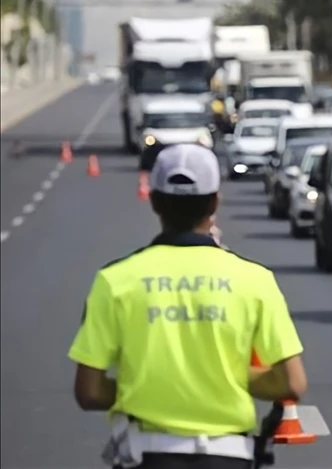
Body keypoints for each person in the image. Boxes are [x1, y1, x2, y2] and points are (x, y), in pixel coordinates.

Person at [69, 143, 307, 469]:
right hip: (230, 456)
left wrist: (145, 385)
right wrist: (226, 376)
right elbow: (291, 383)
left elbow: (89, 391)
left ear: (153, 201)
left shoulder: (115, 281)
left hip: (146, 456)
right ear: (215, 203)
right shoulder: (255, 280)